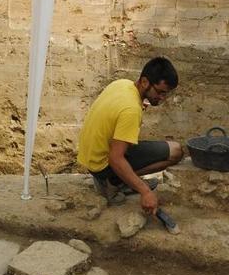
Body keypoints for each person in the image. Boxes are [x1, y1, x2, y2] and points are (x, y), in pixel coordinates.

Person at [77, 57, 184, 214]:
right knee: (176, 152)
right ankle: (113, 182)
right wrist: (145, 191)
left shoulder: (122, 84)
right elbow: (116, 158)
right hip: (103, 165)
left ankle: (118, 179)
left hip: (91, 158)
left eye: (165, 94)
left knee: (131, 142)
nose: (162, 98)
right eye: (160, 92)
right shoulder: (131, 110)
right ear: (145, 82)